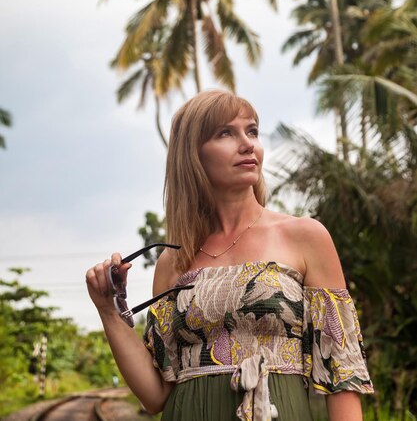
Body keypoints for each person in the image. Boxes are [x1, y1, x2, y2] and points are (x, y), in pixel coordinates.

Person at [86, 89, 373, 421]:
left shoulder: (304, 236)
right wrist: (109, 310)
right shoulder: (172, 262)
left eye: (251, 131)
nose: (248, 143)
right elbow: (156, 395)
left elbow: (342, 372)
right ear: (192, 155)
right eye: (226, 133)